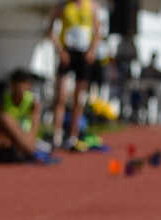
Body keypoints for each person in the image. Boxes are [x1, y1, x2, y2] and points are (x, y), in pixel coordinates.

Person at [48, 0, 101, 149]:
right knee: (61, 96)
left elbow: (98, 30)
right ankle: (57, 135)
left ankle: (73, 136)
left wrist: (92, 50)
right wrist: (60, 50)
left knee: (79, 98)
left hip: (83, 55)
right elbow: (50, 30)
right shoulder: (62, 6)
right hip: (67, 53)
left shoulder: (91, 6)